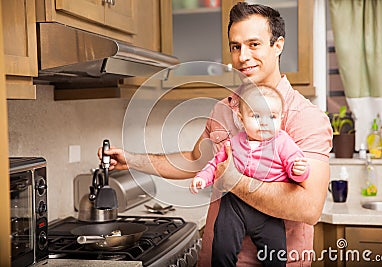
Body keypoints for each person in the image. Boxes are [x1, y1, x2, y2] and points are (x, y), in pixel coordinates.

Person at [98, 2, 332, 266]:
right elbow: (196, 159)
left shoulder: (305, 116)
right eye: (236, 46)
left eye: (254, 44)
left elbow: (309, 208)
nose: (243, 56)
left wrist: (233, 178)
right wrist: (132, 160)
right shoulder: (224, 108)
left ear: (277, 45)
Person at [190, 84, 310, 266]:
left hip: (268, 208)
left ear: (281, 118)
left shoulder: (283, 142)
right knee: (222, 248)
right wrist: (202, 178)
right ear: (241, 118)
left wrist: (299, 171)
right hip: (234, 204)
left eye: (272, 117)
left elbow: (295, 163)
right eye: (255, 116)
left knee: (275, 254)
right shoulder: (234, 142)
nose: (264, 122)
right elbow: (216, 164)